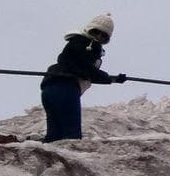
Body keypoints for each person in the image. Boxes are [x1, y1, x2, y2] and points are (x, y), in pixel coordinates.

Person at [40, 14, 124, 142]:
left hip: (49, 89)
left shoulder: (75, 43)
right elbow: (89, 70)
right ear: (91, 30)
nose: (100, 37)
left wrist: (112, 79)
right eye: (97, 32)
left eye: (104, 36)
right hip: (66, 88)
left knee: (54, 136)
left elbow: (84, 70)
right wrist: (109, 79)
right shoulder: (86, 45)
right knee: (71, 136)